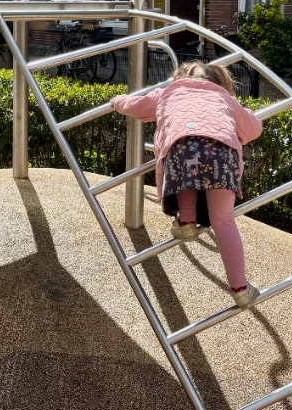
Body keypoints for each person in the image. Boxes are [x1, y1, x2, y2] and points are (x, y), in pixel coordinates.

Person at [111, 61, 264, 308]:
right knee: (224, 220)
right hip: (221, 151)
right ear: (219, 83)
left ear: (178, 78)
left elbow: (136, 106)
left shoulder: (167, 93)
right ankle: (241, 289)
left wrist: (116, 101)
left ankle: (187, 222)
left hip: (182, 146)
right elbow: (254, 128)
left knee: (186, 167)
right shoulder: (224, 98)